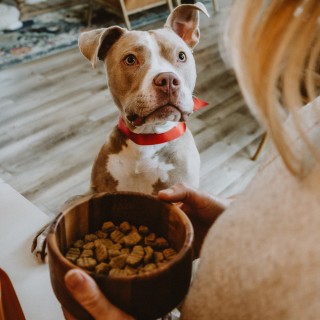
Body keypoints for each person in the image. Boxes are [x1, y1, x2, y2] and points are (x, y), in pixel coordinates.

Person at [63, 0, 320, 319]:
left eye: (179, 57)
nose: (166, 78)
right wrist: (233, 216)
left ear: (191, 38)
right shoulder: (310, 120)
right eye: (131, 60)